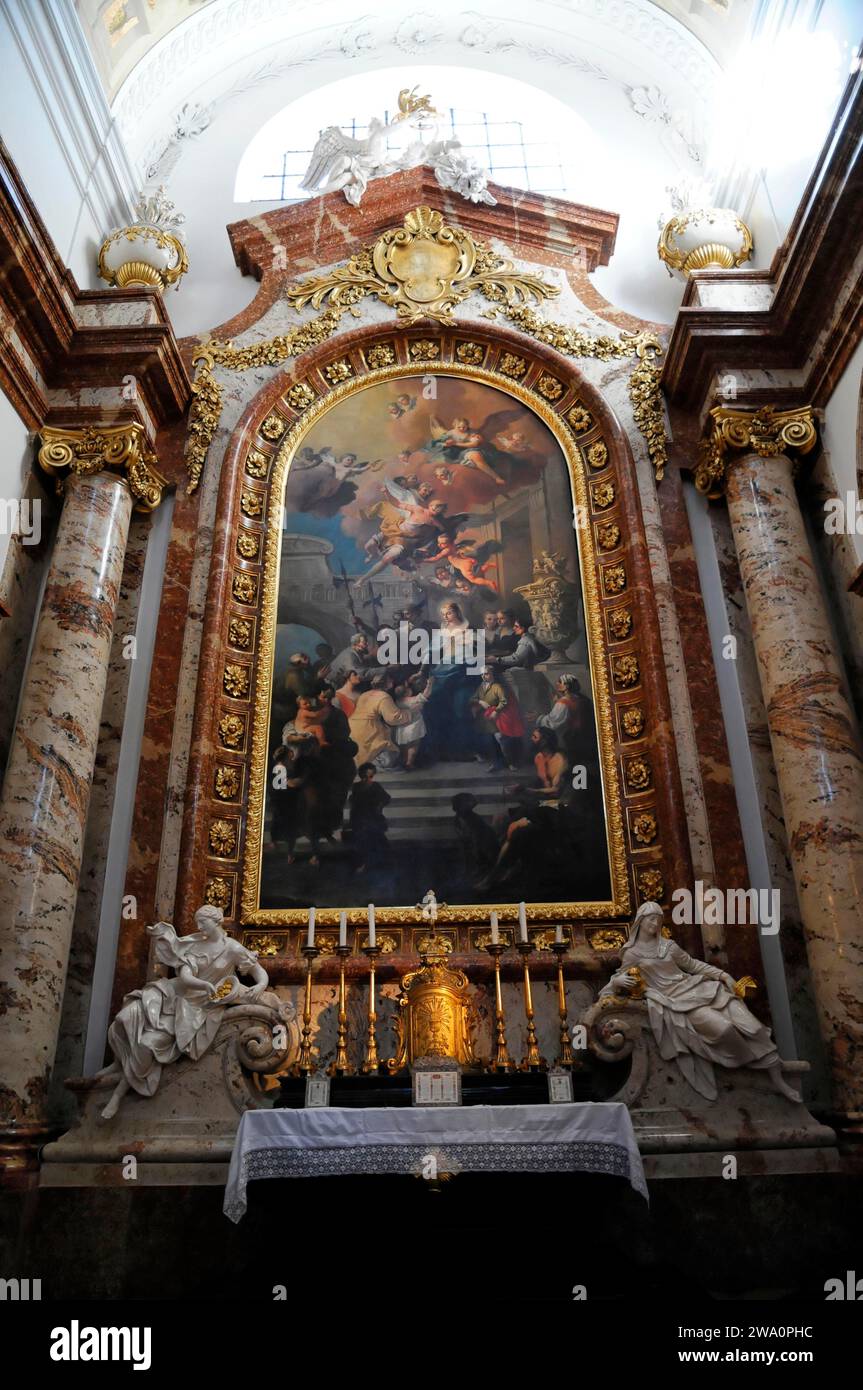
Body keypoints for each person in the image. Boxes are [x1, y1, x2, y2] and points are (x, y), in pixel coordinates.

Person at [601, 902, 799, 1103]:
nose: (655, 923)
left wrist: (723, 975)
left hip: (700, 989)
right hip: (675, 1001)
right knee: (724, 1029)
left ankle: (778, 1079)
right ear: (640, 920)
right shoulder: (632, 953)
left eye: (658, 919)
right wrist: (617, 982)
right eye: (651, 918)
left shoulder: (668, 946)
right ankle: (756, 1066)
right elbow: (617, 981)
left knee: (753, 1027)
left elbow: (693, 965)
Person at [93, 908, 269, 1120]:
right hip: (178, 992)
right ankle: (118, 1061)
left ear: (216, 922)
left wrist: (261, 985)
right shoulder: (195, 944)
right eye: (197, 922)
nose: (199, 927)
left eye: (203, 922)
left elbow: (259, 973)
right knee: (127, 1015)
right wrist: (203, 984)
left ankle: (118, 1095)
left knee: (148, 1044)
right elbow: (185, 977)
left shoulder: (233, 948)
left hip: (200, 1006)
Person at [348, 671, 413, 767]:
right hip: (368, 729)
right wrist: (409, 713)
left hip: (353, 727)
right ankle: (372, 762)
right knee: (389, 756)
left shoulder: (365, 694)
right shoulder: (384, 696)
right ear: (386, 683)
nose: (392, 681)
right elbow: (393, 718)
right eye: (390, 680)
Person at [471, 665, 524, 769]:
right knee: (489, 739)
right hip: (487, 718)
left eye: (486, 674)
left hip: (500, 717)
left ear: (492, 674)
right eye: (482, 674)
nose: (483, 676)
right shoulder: (482, 686)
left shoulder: (498, 687)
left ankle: (509, 763)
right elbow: (473, 698)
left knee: (501, 738)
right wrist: (480, 701)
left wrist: (495, 711)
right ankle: (496, 763)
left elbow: (504, 702)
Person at [536, 673, 593, 764]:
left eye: (560, 682)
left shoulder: (563, 702)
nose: (557, 683)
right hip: (584, 736)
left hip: (571, 738)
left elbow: (552, 722)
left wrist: (538, 717)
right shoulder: (582, 699)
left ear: (566, 686)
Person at [349, 762, 391, 872]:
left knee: (377, 839)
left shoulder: (375, 786)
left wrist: (380, 806)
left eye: (370, 776)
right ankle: (363, 863)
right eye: (365, 776)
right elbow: (353, 802)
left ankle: (382, 862)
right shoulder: (356, 786)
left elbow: (386, 798)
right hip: (360, 817)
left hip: (373, 817)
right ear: (361, 775)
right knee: (362, 840)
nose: (367, 779)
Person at [393, 671, 433, 768]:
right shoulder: (414, 700)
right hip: (414, 728)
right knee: (414, 746)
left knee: (404, 747)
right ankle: (409, 763)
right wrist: (429, 684)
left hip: (402, 728)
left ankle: (404, 761)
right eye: (408, 689)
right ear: (407, 692)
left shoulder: (398, 702)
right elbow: (426, 694)